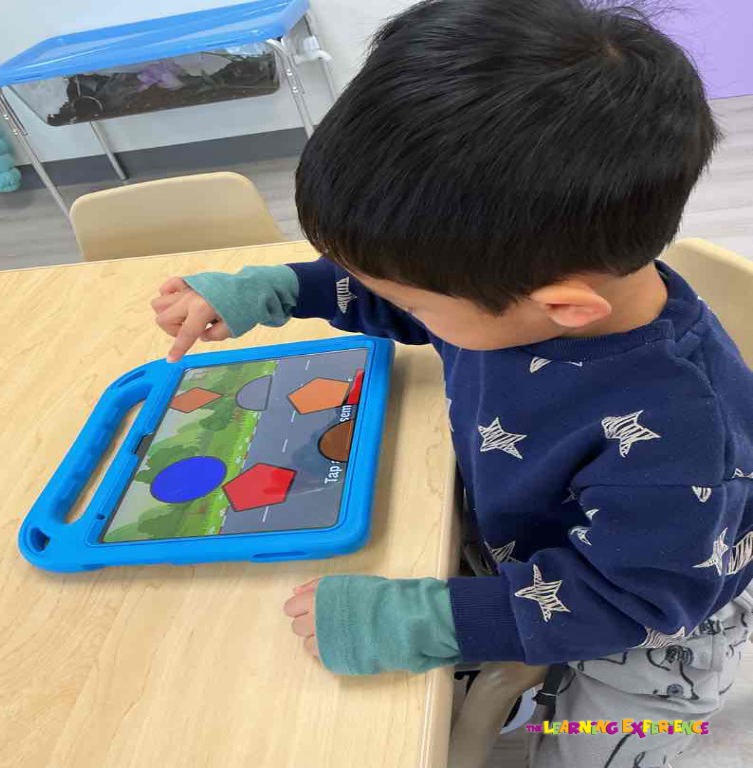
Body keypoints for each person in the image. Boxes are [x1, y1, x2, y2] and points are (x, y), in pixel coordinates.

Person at [151, 1, 753, 763]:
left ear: (562, 308)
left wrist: (419, 622)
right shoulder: (516, 286)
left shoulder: (679, 437)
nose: (401, 307)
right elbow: (394, 290)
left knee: (582, 750)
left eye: (416, 303)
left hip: (651, 627)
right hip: (538, 541)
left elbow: (623, 600)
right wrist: (273, 289)